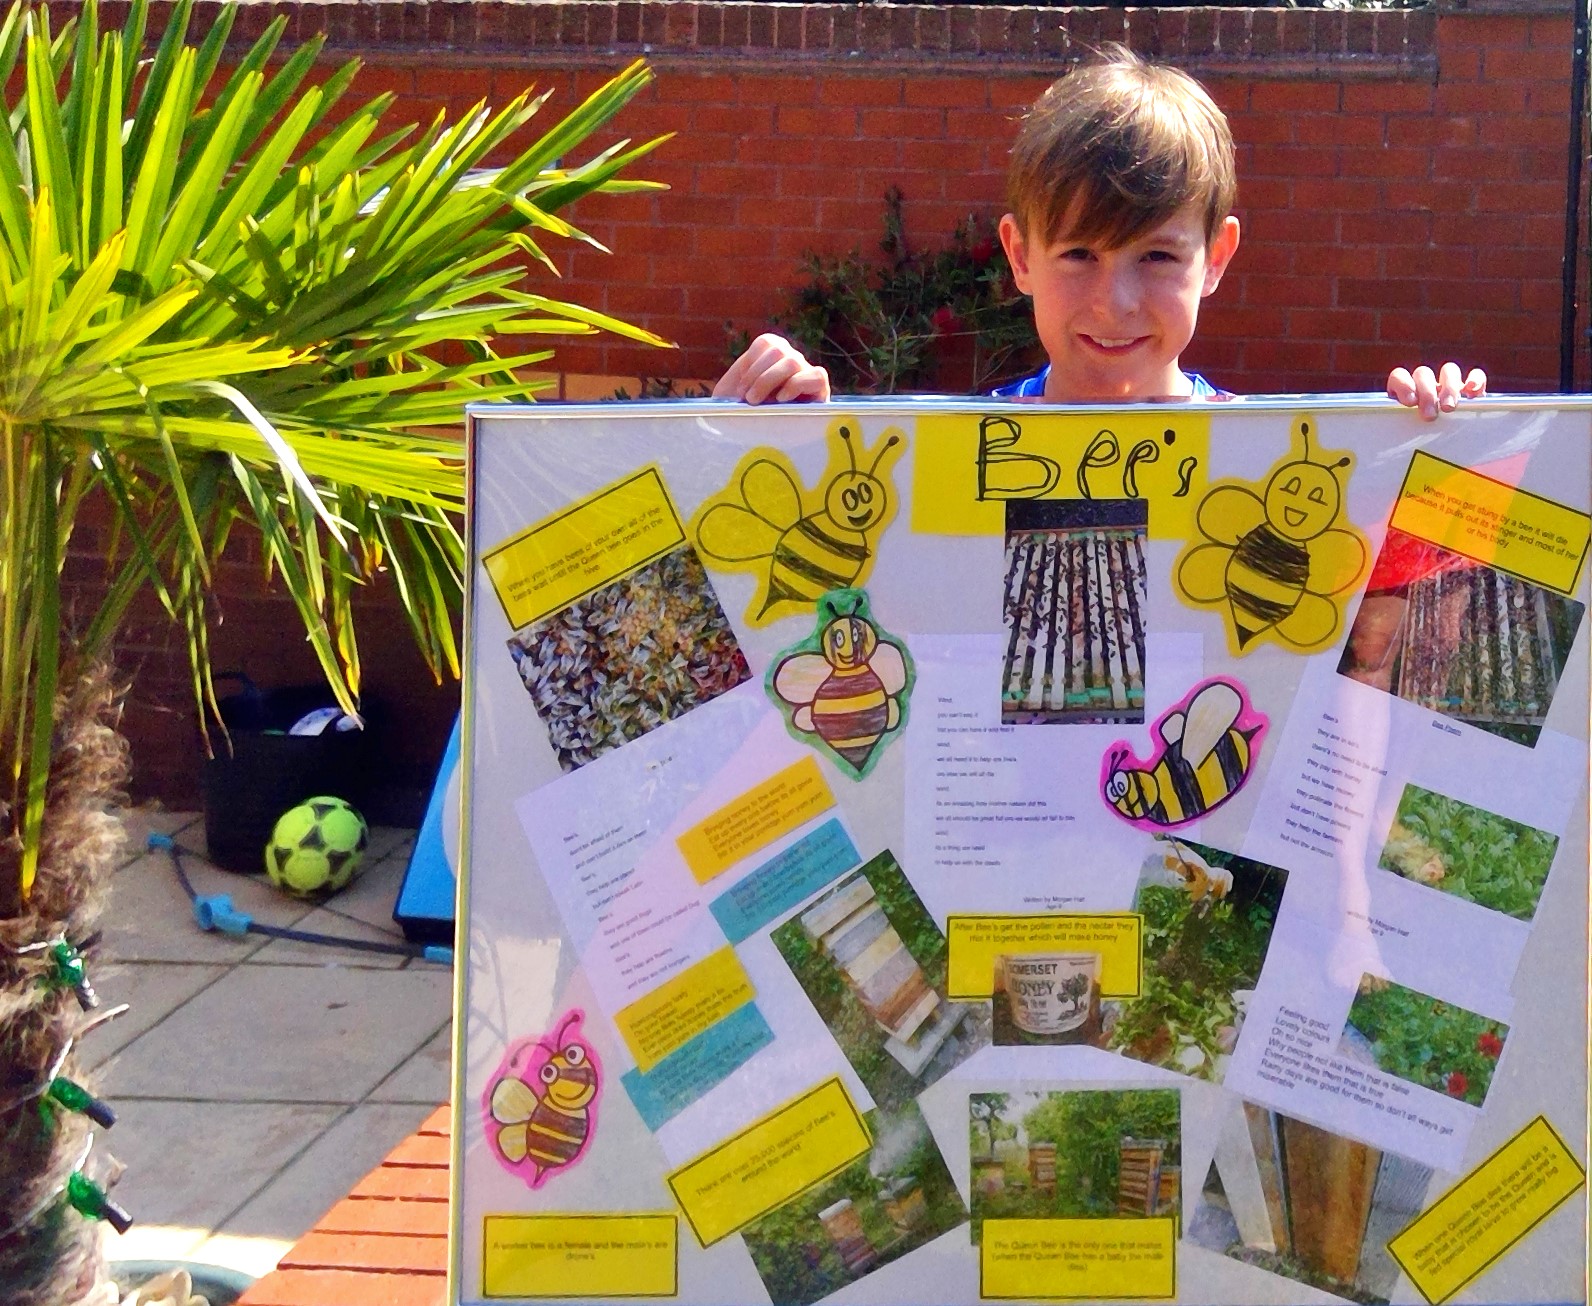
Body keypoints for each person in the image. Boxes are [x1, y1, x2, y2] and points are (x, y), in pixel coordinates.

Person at [713, 49, 1484, 419]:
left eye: (1157, 256)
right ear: (1020, 256)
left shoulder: (1267, 463)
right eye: (1080, 253)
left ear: (1216, 258)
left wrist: (1433, 451)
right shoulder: (941, 458)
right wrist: (773, 451)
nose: (1115, 303)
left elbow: (1379, 657)